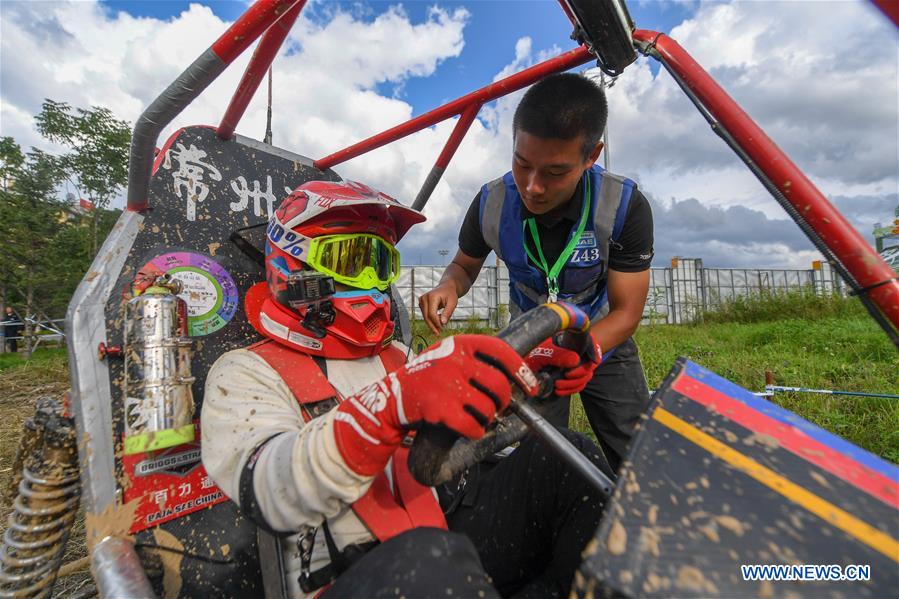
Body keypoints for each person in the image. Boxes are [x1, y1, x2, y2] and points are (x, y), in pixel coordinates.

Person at [201, 180, 612, 598]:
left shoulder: (395, 355)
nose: (370, 279)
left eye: (380, 263)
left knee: (568, 459)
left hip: (439, 540)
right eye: (351, 259)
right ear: (294, 266)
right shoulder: (245, 371)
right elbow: (268, 490)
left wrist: (523, 381)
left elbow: (451, 443)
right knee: (426, 562)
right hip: (347, 573)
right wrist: (383, 408)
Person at [419, 73, 654, 472]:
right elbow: (464, 265)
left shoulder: (623, 206)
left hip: (601, 341)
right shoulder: (491, 202)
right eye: (522, 163)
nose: (533, 186)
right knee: (529, 461)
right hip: (527, 346)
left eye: (555, 172)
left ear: (591, 155)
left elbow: (625, 313)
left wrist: (580, 350)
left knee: (638, 456)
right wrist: (449, 287)